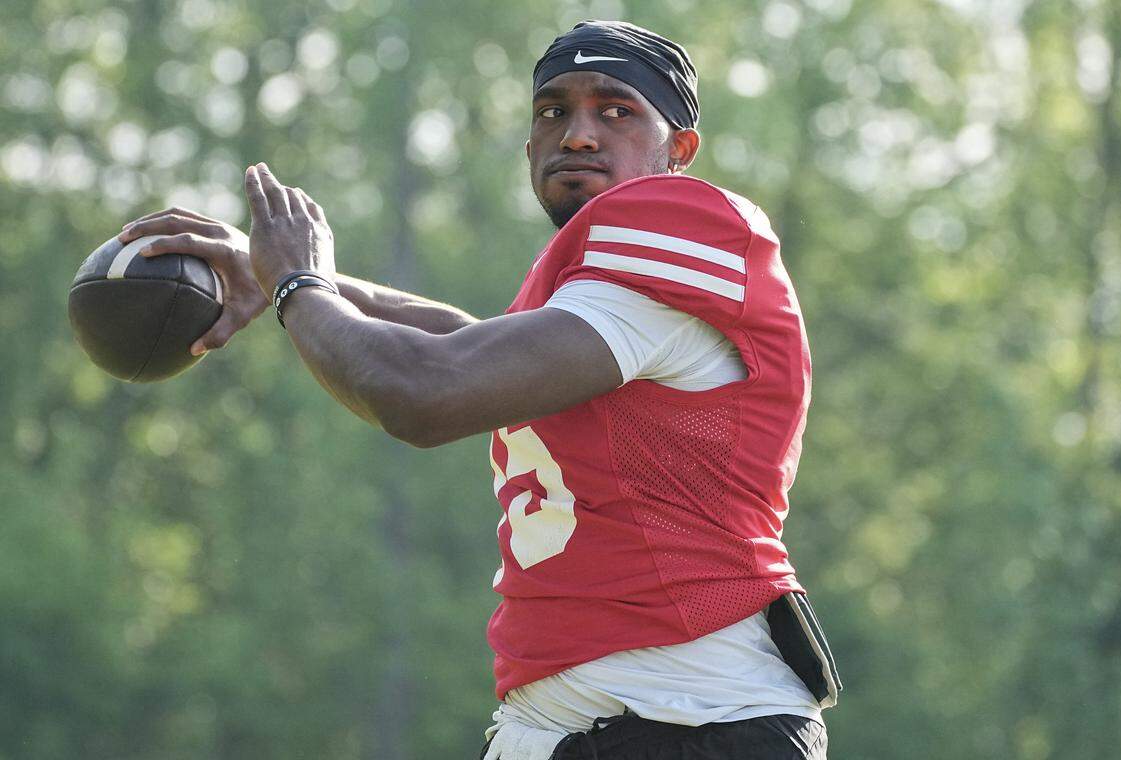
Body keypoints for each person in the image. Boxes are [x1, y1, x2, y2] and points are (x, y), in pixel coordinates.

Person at [117, 20, 838, 760]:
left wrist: (298, 282)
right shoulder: (588, 288)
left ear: (678, 150)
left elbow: (424, 390)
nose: (579, 134)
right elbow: (465, 345)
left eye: (615, 110)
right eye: (553, 111)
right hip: (583, 722)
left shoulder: (682, 223)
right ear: (528, 146)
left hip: (688, 717)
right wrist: (289, 281)